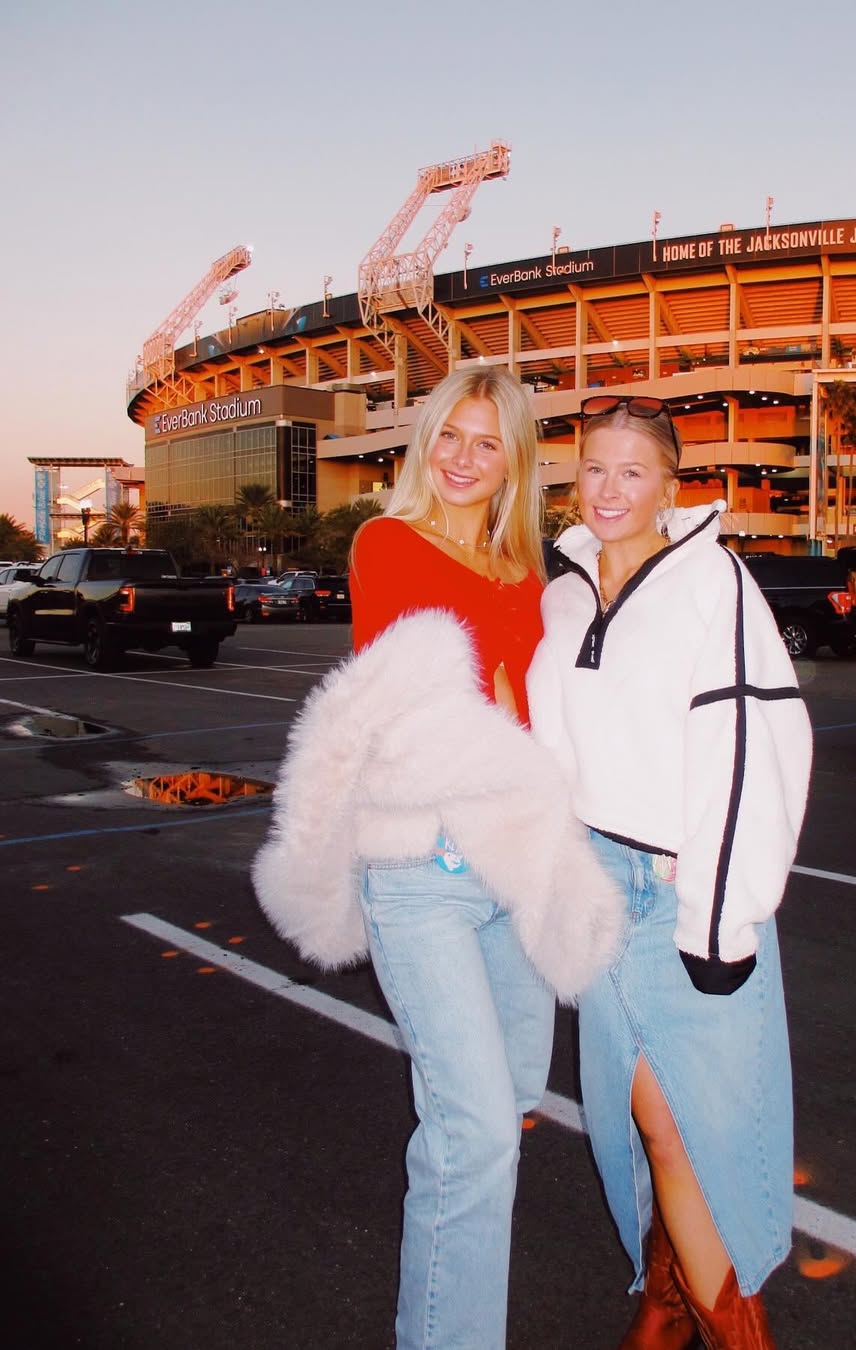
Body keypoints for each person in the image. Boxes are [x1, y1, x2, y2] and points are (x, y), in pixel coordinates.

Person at [252, 365, 621, 1350]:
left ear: (513, 461)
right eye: (449, 435)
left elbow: (535, 705)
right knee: (474, 1133)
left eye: (486, 442)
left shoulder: (529, 576)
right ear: (425, 444)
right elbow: (432, 708)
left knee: (506, 1109)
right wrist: (505, 714)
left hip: (514, 870)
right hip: (423, 868)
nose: (462, 458)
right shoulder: (388, 541)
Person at [527, 394, 813, 1350]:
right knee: (642, 1123)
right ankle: (669, 1303)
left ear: (668, 485)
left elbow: (751, 750)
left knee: (687, 1125)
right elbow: (555, 750)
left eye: (633, 471)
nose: (609, 489)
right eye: (594, 468)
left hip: (685, 888)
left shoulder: (711, 581)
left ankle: (722, 1327)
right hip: (599, 886)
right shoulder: (564, 592)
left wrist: (720, 919)